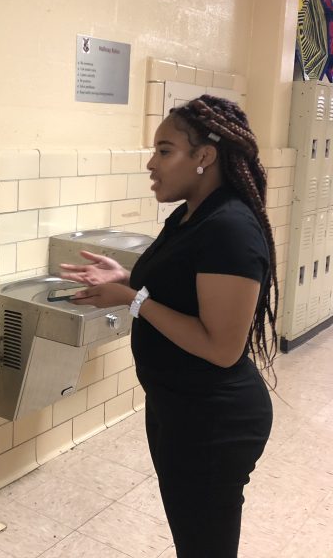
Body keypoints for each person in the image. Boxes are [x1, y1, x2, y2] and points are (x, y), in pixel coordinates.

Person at [61, 95, 276, 558]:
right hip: (177, 407)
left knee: (206, 547)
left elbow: (221, 347)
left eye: (164, 150)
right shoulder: (189, 215)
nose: (150, 163)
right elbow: (178, 287)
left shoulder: (230, 228)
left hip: (214, 421)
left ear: (204, 157)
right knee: (192, 540)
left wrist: (135, 300)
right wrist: (125, 280)